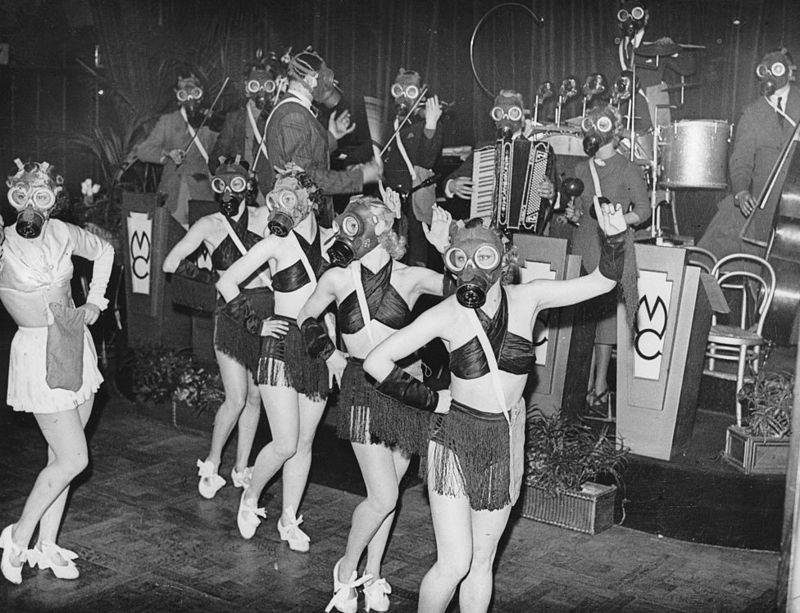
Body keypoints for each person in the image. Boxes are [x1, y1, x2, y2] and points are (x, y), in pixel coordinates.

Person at [363, 204, 632, 613]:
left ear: (503, 260)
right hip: (454, 440)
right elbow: (375, 362)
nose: (473, 267)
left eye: (484, 256)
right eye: (462, 258)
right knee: (454, 563)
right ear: (453, 265)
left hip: (504, 439)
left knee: (482, 561)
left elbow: (602, 282)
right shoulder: (447, 314)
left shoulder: (528, 298)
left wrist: (613, 240)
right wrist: (431, 399)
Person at [296, 192, 449, 613]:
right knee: (382, 496)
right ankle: (346, 570)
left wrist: (442, 248)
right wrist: (329, 354)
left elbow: (467, 290)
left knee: (391, 493)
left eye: (360, 218)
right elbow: (305, 317)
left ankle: (374, 573)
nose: (351, 226)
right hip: (361, 386)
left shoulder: (411, 277)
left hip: (404, 386)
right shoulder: (338, 277)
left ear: (384, 226)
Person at [0, 160, 114, 584]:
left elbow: (105, 251)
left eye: (41, 195)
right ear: (14, 197)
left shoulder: (63, 231)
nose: (31, 203)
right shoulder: (3, 242)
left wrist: (96, 301)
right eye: (23, 194)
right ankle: (17, 539)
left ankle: (46, 545)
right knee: (74, 458)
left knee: (59, 457)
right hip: (35, 353)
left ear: (52, 200)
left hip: (74, 343)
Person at [216, 165, 332, 551]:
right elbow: (226, 281)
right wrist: (255, 324)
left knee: (304, 442)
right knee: (284, 443)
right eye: (277, 194)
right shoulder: (276, 243)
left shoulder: (331, 240)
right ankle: (250, 498)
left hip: (316, 348)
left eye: (290, 193)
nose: (281, 202)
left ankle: (288, 519)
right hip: (280, 345)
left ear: (309, 199)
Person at [162, 158, 282, 499]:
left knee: (256, 395)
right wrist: (211, 277)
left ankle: (241, 467)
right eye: (222, 185)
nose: (229, 192)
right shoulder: (209, 224)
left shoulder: (264, 216)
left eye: (237, 184)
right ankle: (212, 464)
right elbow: (170, 263)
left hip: (265, 308)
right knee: (236, 397)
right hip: (231, 312)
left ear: (248, 187)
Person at [564, 104, 650, 415]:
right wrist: (573, 214)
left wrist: (618, 220)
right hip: (584, 244)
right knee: (583, 319)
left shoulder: (627, 168)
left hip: (611, 245)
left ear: (614, 132)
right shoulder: (581, 169)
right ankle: (579, 385)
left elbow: (644, 211)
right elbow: (579, 210)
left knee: (605, 320)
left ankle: (600, 384)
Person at [699, 48, 800, 260]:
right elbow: (741, 160)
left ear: (790, 72)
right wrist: (742, 191)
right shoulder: (752, 112)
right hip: (766, 203)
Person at [265, 48, 382, 226]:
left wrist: (332, 136)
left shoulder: (295, 109)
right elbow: (307, 178)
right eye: (324, 79)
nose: (328, 86)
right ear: (310, 79)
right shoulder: (294, 115)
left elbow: (305, 154)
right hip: (299, 217)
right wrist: (361, 176)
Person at [444, 90, 555, 224]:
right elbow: (451, 179)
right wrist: (452, 185)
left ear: (522, 118)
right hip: (487, 227)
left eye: (513, 112)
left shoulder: (539, 151)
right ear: (494, 118)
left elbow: (559, 195)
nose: (506, 118)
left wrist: (551, 194)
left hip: (526, 229)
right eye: (500, 113)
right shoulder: (483, 149)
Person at [128, 74, 219, 228]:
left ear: (201, 93)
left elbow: (220, 150)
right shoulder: (168, 121)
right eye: (184, 93)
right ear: (178, 96)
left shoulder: (210, 121)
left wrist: (213, 124)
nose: (190, 97)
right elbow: (143, 151)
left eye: (194, 92)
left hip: (202, 193)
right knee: (173, 235)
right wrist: (167, 154)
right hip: (173, 192)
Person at [381, 68, 444, 266]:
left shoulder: (425, 124)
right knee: (390, 252)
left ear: (420, 95)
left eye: (410, 92)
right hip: (390, 199)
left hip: (414, 201)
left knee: (416, 257)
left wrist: (430, 125)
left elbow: (426, 161)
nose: (403, 97)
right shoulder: (389, 125)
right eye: (398, 91)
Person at [209, 51, 286, 203]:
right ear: (247, 88)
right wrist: (226, 167)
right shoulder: (235, 117)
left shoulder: (279, 116)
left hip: (270, 191)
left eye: (267, 86)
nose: (261, 91)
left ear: (274, 89)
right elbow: (217, 154)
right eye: (255, 85)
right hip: (239, 188)